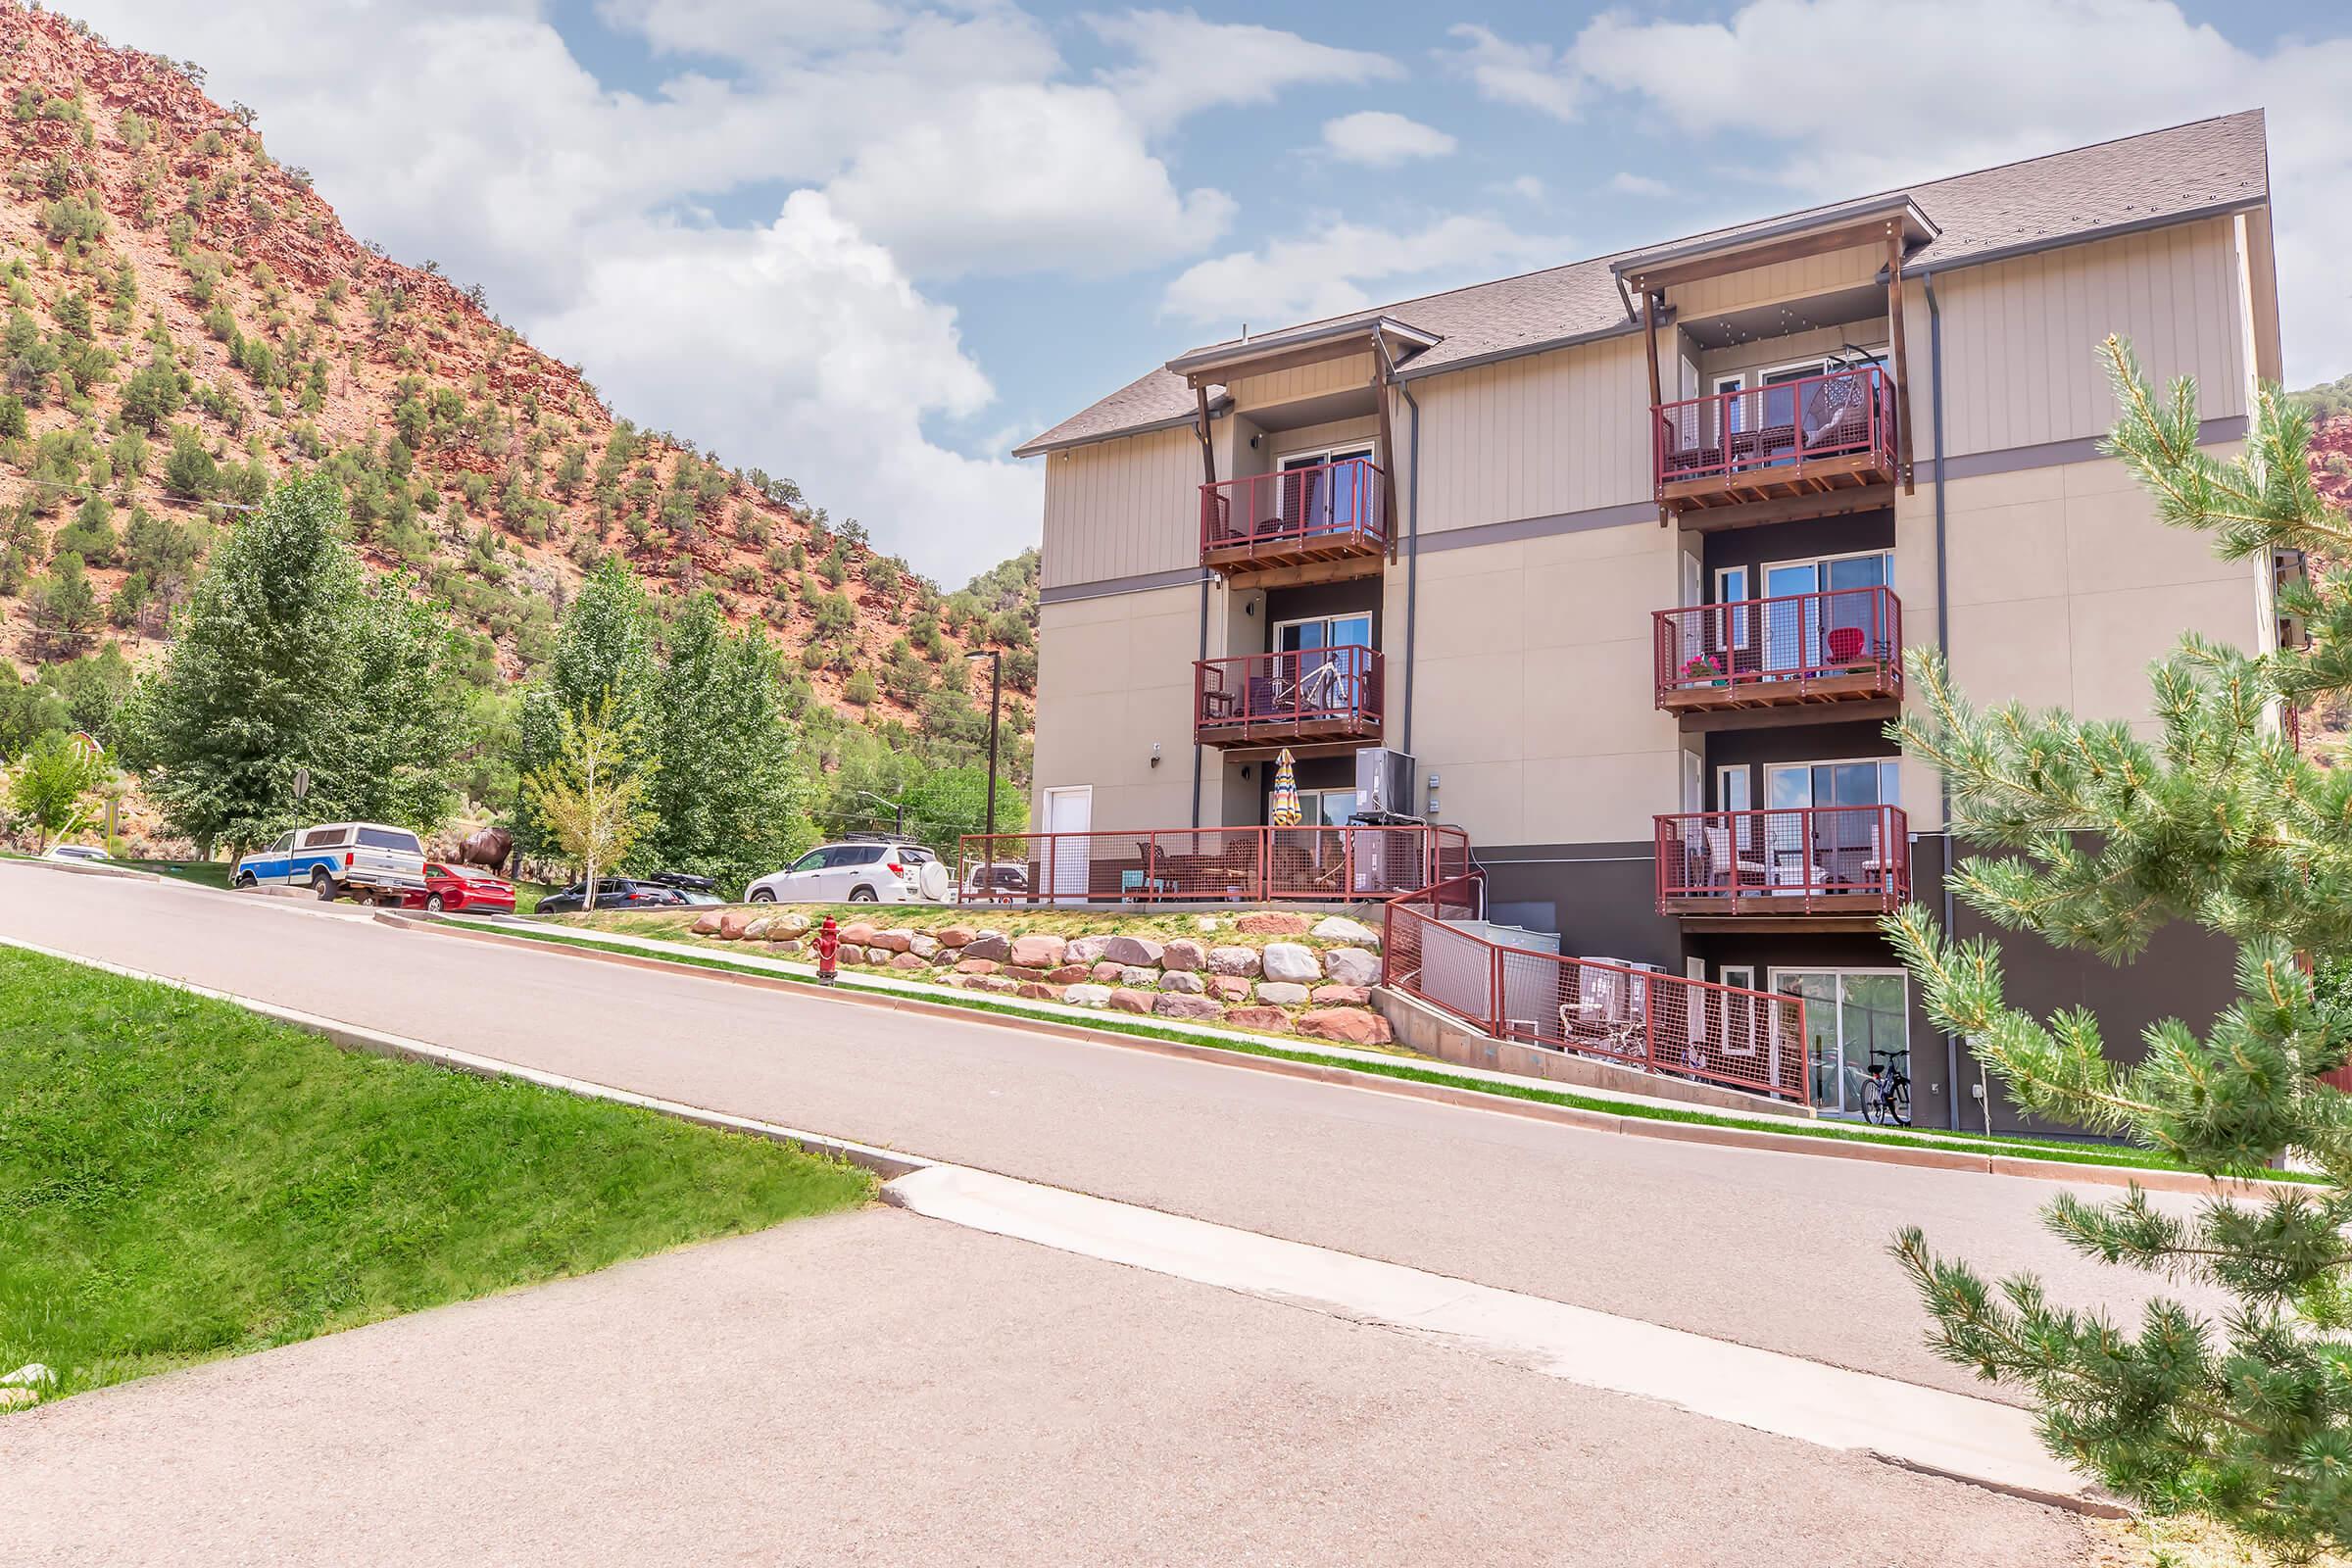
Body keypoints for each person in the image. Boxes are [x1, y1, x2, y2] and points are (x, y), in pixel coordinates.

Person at [814, 914, 840, 985]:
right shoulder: (828, 940)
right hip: (826, 967)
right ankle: (828, 981)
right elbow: (820, 943)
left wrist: (835, 944)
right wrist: (817, 944)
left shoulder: (832, 941)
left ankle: (826, 980)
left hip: (828, 967)